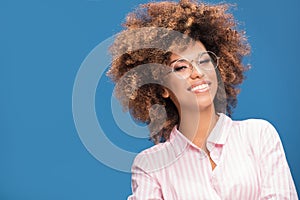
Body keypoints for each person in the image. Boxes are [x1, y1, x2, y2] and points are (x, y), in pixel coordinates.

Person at [107, 0, 298, 199]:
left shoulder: (258, 135)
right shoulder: (150, 166)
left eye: (204, 60)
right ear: (162, 88)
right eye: (181, 67)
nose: (197, 73)